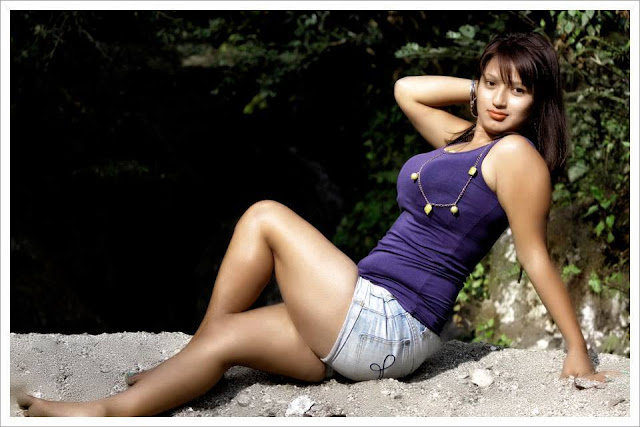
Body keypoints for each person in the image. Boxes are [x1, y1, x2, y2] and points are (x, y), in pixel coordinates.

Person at [17, 31, 612, 417]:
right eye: (491, 85)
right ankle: (106, 411)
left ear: (540, 103)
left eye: (518, 92)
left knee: (265, 216)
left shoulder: (516, 157)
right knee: (227, 339)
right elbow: (407, 90)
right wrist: (484, 87)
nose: (500, 101)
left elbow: (535, 256)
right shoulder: (460, 139)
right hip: (361, 316)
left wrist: (577, 351)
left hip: (392, 322)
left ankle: (184, 354)